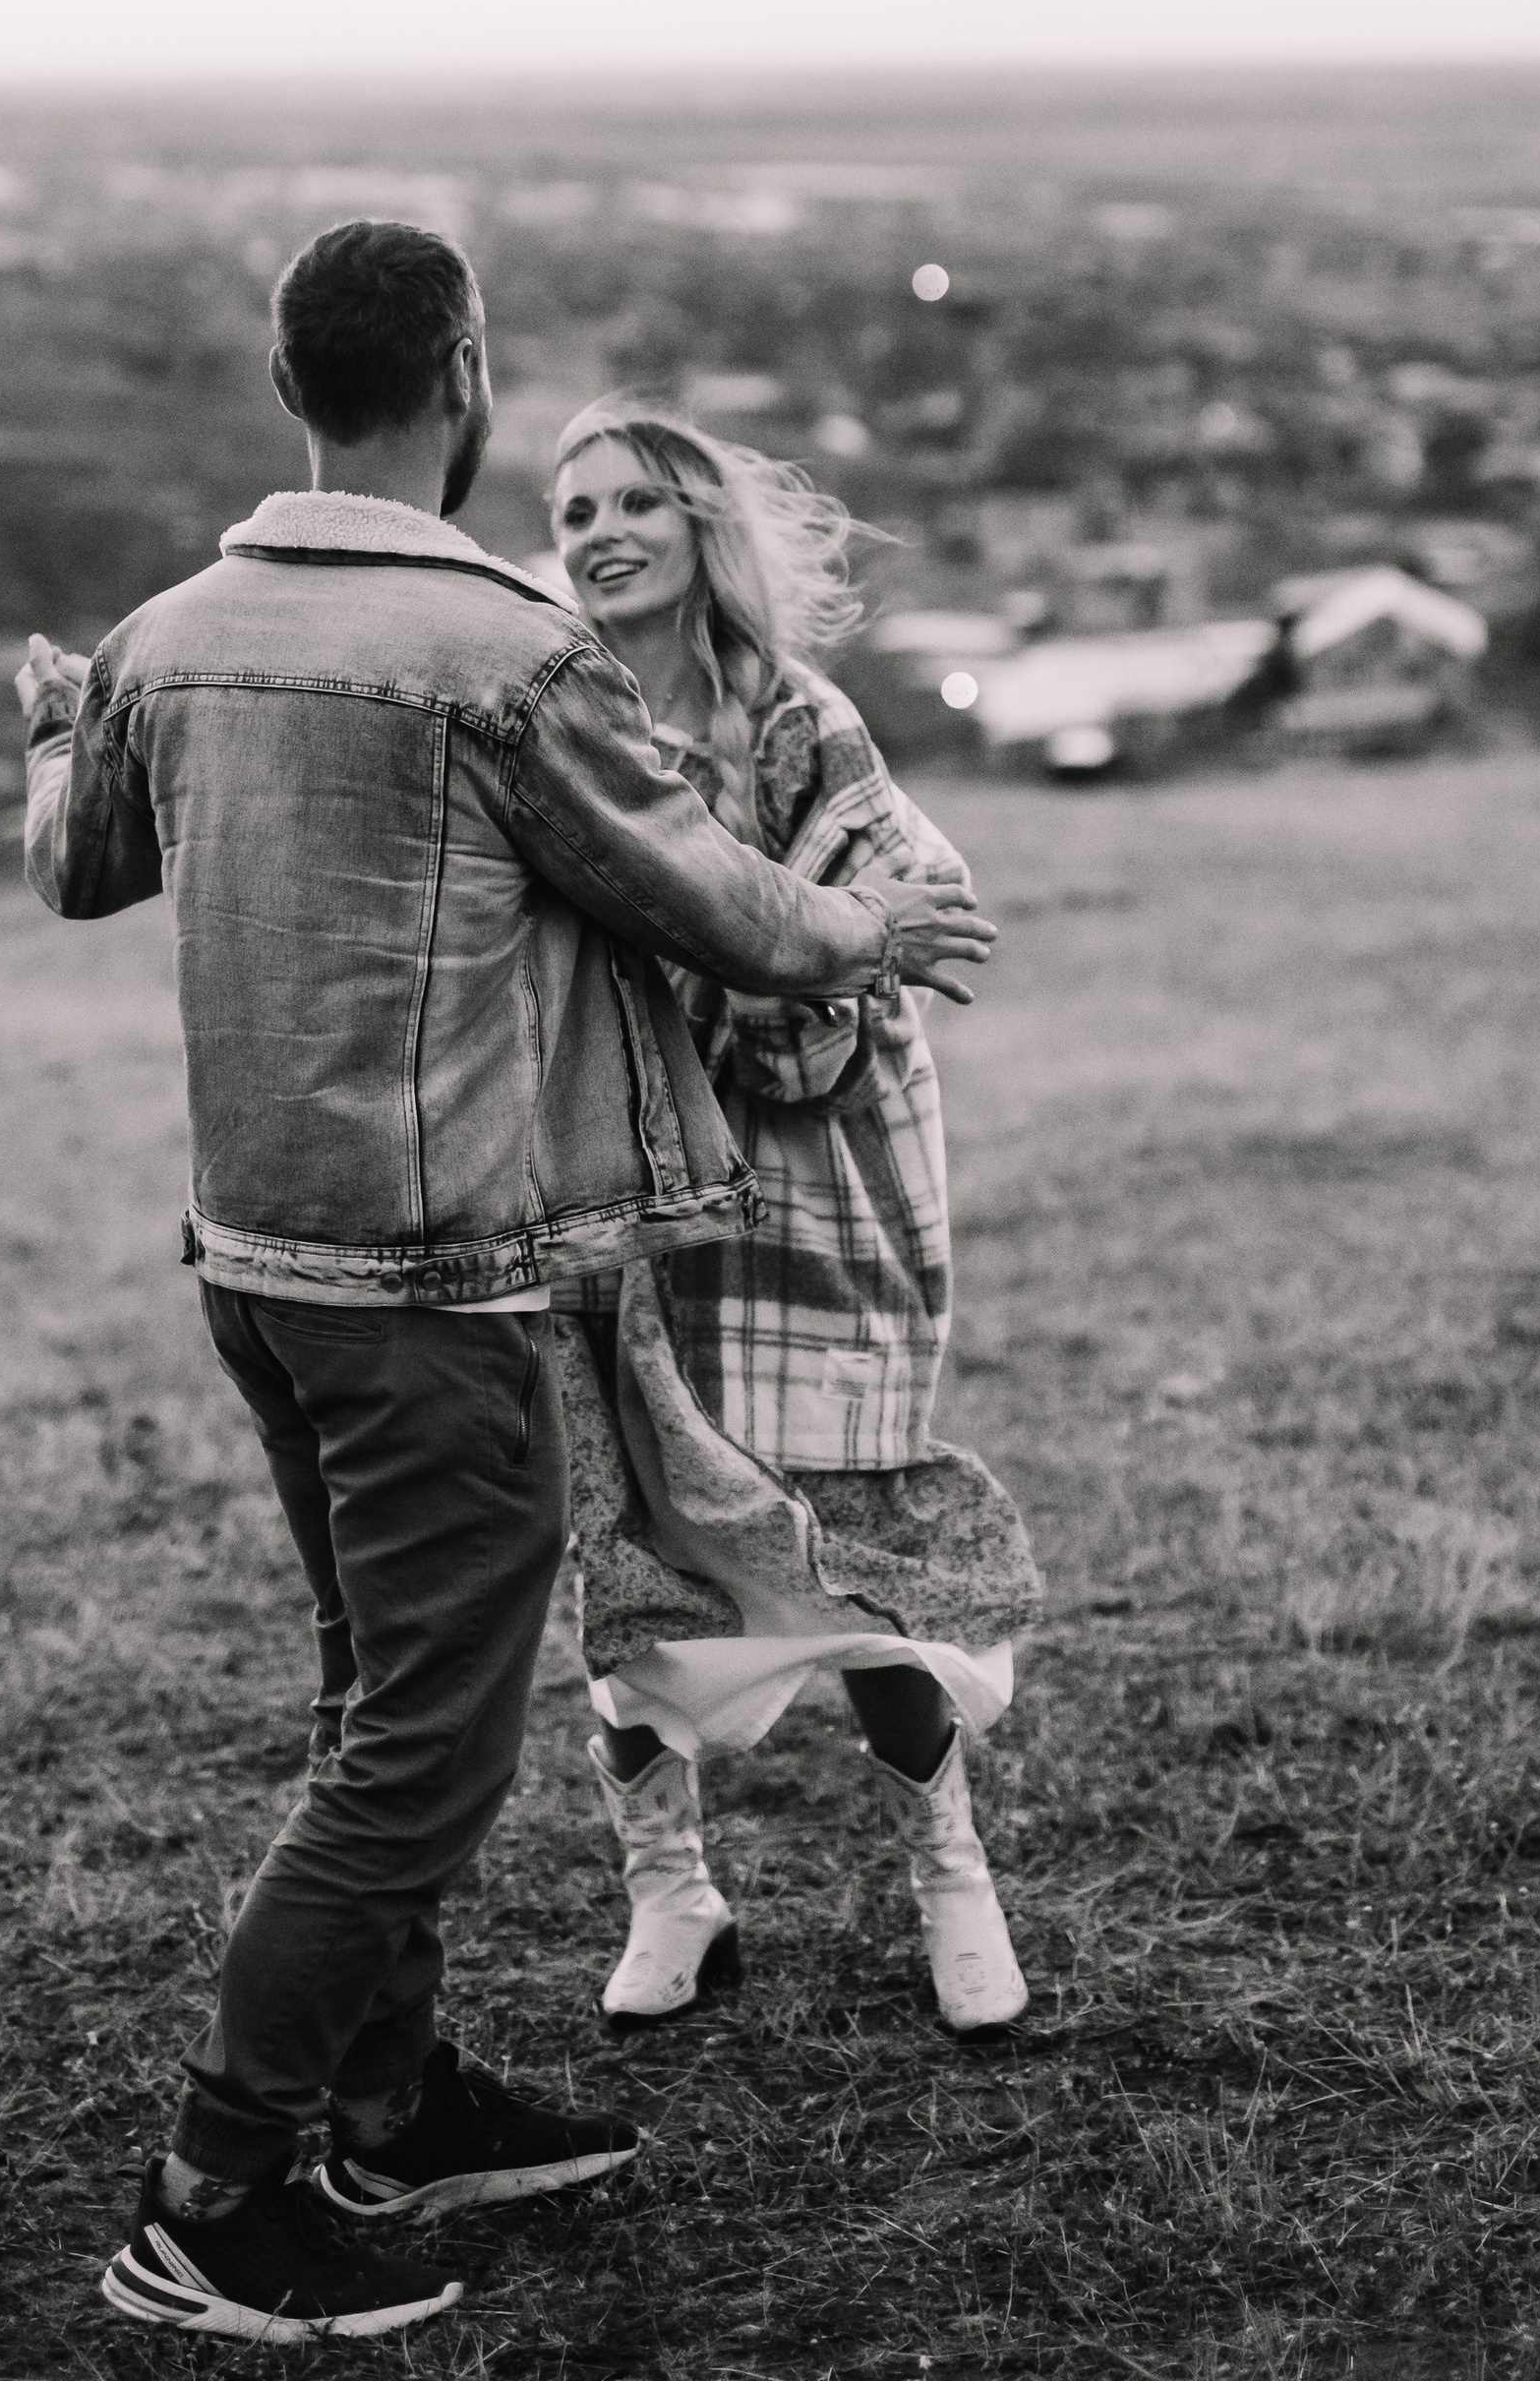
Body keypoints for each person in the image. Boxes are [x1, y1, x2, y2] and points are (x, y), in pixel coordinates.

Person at [18, 220, 996, 2348]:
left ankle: (395, 2111)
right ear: (462, 375)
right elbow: (719, 903)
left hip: (253, 1272)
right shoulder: (506, 658)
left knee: (371, 1699)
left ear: (291, 383)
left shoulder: (168, 637)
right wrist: (870, 934)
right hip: (430, 1282)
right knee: (416, 1765)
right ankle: (213, 2195)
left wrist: (48, 732)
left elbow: (75, 866)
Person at [548, 401, 1040, 2038]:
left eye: (637, 501)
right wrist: (809, 934)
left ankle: (952, 1879)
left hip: (827, 1171)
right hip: (629, 1175)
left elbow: (912, 910)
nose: (602, 532)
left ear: (701, 529)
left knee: (853, 1541)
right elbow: (579, 955)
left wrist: (800, 948)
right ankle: (671, 1892)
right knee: (638, 1534)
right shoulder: (560, 726)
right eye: (575, 510)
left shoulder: (797, 721)